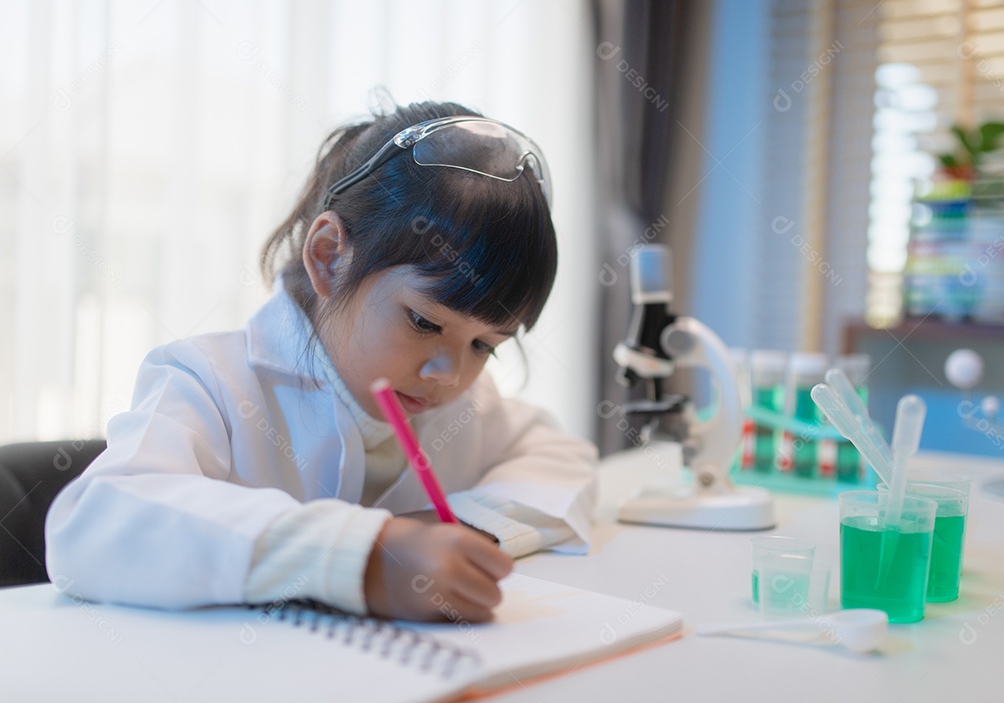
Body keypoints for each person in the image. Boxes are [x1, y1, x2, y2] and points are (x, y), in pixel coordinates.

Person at [45, 101, 597, 623]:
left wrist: (469, 525)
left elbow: (562, 457)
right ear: (330, 256)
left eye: (485, 346)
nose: (449, 374)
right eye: (425, 323)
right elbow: (92, 524)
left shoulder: (467, 405)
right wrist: (361, 557)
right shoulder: (208, 381)